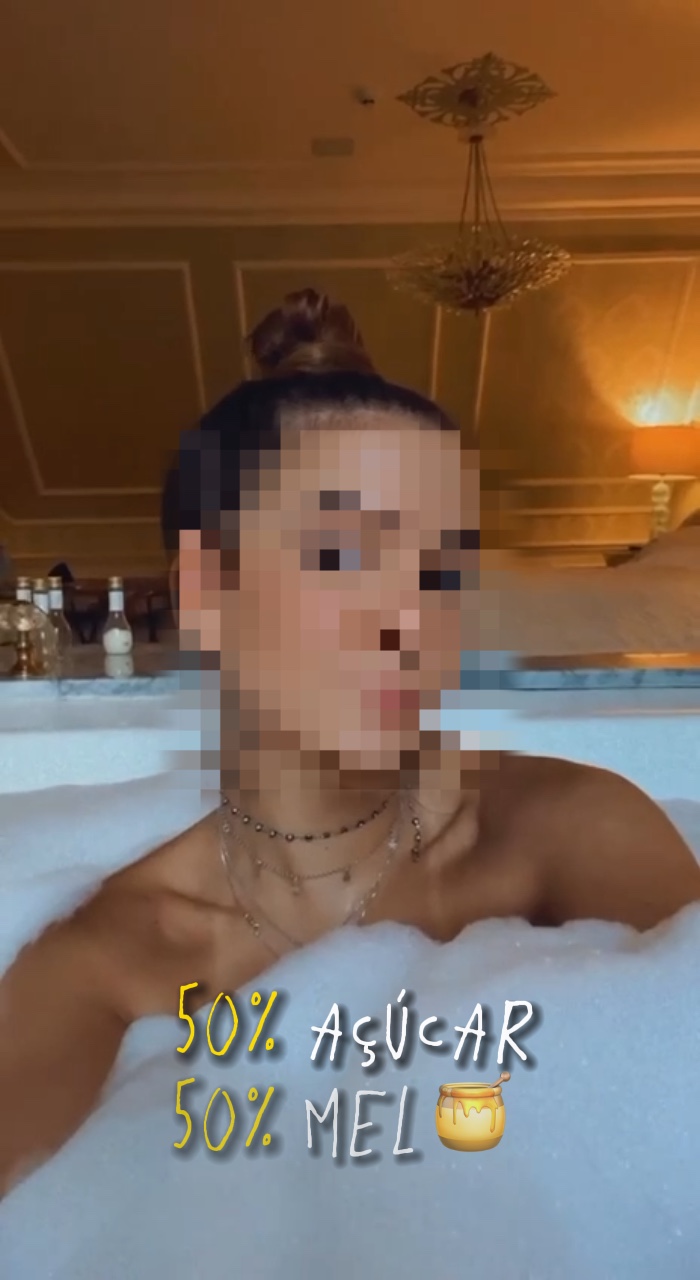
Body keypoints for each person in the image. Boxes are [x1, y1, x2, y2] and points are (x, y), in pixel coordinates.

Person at [1, 288, 699, 1198]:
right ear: (205, 594)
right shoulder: (105, 965)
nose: (410, 620)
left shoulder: (565, 833)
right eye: (340, 556)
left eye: (440, 571)